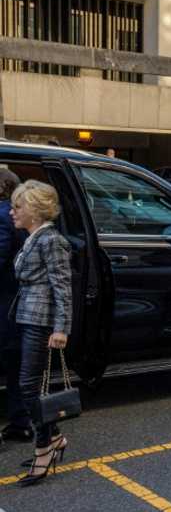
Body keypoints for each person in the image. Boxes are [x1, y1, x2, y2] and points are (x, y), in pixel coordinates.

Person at [10, 179, 72, 487]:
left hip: (42, 320)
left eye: (17, 206)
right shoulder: (34, 238)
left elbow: (63, 288)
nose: (12, 212)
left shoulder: (51, 240)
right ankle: (55, 438)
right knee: (29, 385)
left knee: (28, 386)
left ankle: (43, 447)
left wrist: (61, 328)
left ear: (34, 209)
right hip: (28, 317)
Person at [0, 168, 31, 444]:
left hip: (4, 303)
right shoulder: (20, 217)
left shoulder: (2, 215)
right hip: (16, 305)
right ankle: (20, 423)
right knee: (14, 367)